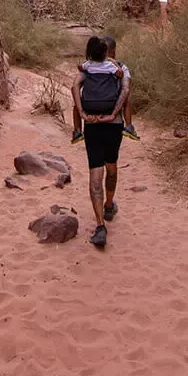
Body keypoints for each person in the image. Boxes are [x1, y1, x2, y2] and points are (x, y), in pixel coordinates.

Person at [72, 36, 130, 247]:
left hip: (92, 125)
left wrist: (82, 113)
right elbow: (125, 91)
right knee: (111, 167)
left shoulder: (86, 69)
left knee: (95, 175)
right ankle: (108, 205)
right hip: (112, 125)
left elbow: (74, 87)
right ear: (109, 52)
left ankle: (100, 226)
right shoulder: (119, 68)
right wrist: (113, 114)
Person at [71, 36, 140, 143]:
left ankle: (77, 132)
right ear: (113, 51)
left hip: (89, 107)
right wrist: (112, 115)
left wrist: (81, 112)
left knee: (76, 104)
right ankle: (129, 127)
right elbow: (124, 87)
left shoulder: (89, 65)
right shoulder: (113, 66)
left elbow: (75, 84)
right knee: (126, 100)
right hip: (110, 107)